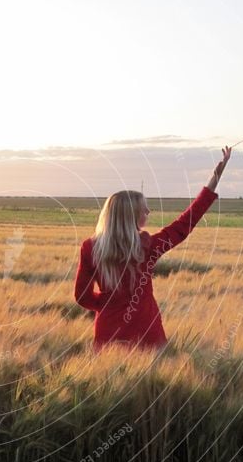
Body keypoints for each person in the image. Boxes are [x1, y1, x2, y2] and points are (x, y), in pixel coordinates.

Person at [74, 146, 232, 353]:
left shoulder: (90, 248)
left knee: (111, 383)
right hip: (147, 330)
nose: (148, 211)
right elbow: (184, 225)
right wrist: (214, 180)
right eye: (144, 208)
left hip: (108, 331)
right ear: (131, 215)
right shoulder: (148, 247)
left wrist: (109, 304)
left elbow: (82, 297)